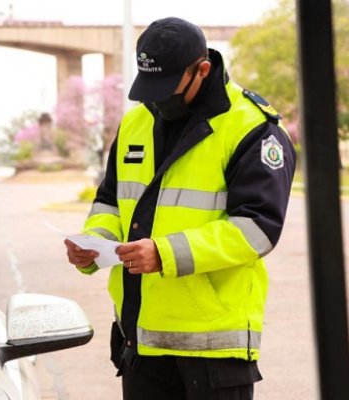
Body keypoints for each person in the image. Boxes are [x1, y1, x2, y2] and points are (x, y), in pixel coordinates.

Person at [64, 17, 296, 400]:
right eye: (149, 88)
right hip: (140, 342)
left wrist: (164, 254)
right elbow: (110, 200)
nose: (157, 99)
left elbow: (258, 228)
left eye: (167, 87)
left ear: (202, 70)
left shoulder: (252, 129)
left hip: (214, 349)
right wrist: (94, 243)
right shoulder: (136, 122)